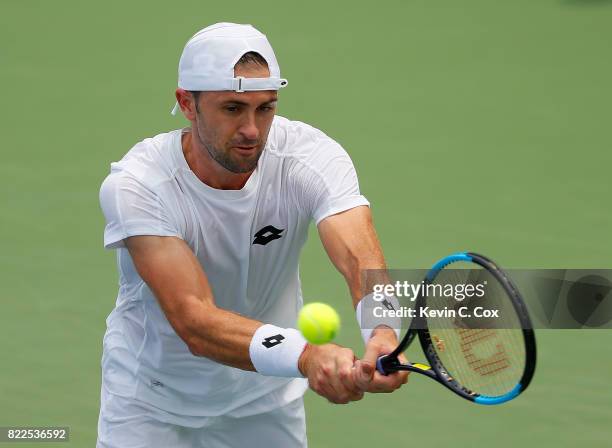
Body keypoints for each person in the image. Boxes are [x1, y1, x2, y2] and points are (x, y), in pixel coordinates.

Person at [96, 22, 408, 448]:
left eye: (265, 108)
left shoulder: (310, 157)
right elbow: (195, 319)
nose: (252, 130)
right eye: (232, 109)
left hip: (265, 401)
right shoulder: (140, 185)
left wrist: (383, 332)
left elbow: (358, 255)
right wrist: (306, 355)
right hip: (151, 407)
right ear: (187, 103)